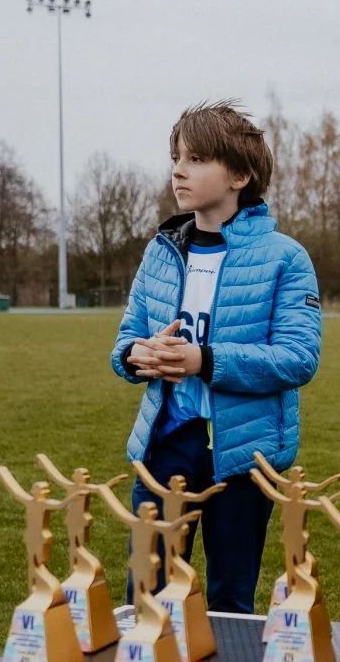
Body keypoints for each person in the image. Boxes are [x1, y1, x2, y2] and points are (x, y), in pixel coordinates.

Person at [110, 100, 321, 614]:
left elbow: (298, 357)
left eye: (197, 158)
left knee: (229, 601)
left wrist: (202, 361)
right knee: (149, 592)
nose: (179, 170)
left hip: (243, 454)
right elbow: (126, 342)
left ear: (241, 175)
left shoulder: (284, 257)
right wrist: (141, 354)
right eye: (175, 157)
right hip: (166, 445)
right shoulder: (161, 250)